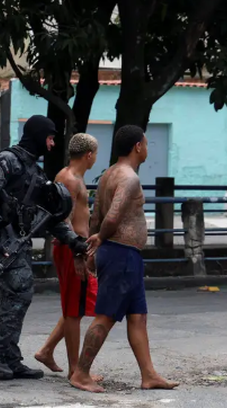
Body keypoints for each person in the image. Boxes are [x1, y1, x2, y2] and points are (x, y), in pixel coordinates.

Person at [0, 114, 89, 381]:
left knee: (13, 296)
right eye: (50, 138)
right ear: (38, 136)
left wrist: (73, 240)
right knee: (20, 291)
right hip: (3, 240)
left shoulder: (34, 173)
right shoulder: (7, 161)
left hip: (19, 241)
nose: (51, 145)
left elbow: (48, 216)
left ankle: (9, 356)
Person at [68, 125, 179, 394]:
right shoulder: (129, 178)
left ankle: (149, 374)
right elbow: (113, 215)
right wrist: (101, 240)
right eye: (146, 143)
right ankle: (81, 373)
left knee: (138, 316)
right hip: (121, 253)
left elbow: (96, 214)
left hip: (123, 254)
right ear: (137, 147)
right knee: (105, 316)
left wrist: (93, 245)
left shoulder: (107, 174)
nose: (148, 148)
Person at [34, 133, 101, 380]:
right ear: (89, 155)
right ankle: (76, 370)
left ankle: (46, 350)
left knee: (78, 306)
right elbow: (63, 220)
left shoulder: (74, 177)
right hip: (71, 249)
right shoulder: (69, 179)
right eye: (95, 153)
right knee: (73, 310)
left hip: (77, 247)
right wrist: (76, 253)